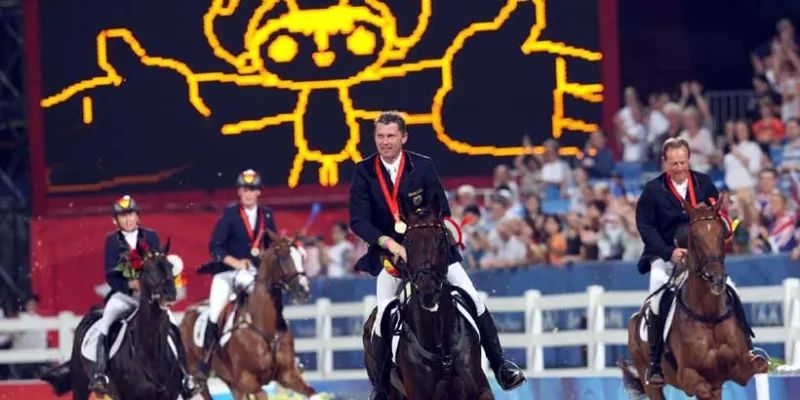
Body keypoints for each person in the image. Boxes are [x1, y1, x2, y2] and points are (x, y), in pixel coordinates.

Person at [349, 111, 525, 399]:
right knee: (383, 315)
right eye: (380, 136)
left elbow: (441, 208)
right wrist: (390, 243)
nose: (385, 141)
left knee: (473, 298)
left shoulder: (422, 166)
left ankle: (501, 366)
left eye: (391, 135)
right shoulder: (364, 171)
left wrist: (419, 233)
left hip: (430, 251)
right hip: (392, 259)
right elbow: (359, 220)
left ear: (403, 137)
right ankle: (380, 388)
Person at [635, 138, 766, 387]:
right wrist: (668, 252)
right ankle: (655, 363)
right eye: (674, 163)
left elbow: (719, 214)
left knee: (731, 290)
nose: (679, 168)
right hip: (667, 257)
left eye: (683, 162)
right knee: (657, 300)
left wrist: (724, 225)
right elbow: (646, 227)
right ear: (664, 163)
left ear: (689, 160)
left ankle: (748, 350)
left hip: (702, 259)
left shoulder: (703, 183)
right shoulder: (653, 190)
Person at [92, 195, 198, 396]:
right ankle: (100, 373)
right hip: (125, 295)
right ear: (115, 220)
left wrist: (155, 287)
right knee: (106, 322)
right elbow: (110, 275)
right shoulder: (112, 241)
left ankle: (185, 376)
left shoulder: (150, 236)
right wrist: (130, 285)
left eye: (131, 214)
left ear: (137, 216)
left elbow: (158, 266)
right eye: (123, 216)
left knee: (173, 327)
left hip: (150, 297)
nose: (128, 219)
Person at [197, 169, 277, 378]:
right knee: (215, 313)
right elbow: (215, 247)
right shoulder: (230, 215)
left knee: (269, 302)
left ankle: (279, 349)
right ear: (239, 192)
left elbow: (272, 245)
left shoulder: (267, 215)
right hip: (227, 274)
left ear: (259, 192)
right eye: (244, 190)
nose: (248, 194)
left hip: (253, 274)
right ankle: (206, 360)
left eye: (252, 190)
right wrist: (236, 262)